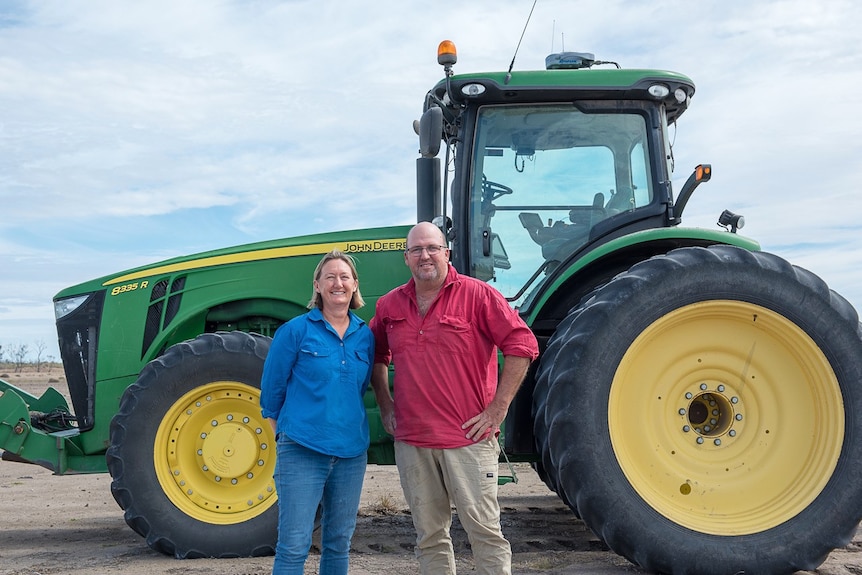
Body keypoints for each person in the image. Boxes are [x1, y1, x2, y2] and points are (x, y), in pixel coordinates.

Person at [369, 222, 540, 575]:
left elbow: (522, 346)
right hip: (413, 442)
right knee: (429, 536)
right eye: (416, 250)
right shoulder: (389, 305)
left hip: (468, 440)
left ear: (446, 253)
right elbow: (375, 355)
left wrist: (498, 409)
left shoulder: (479, 296)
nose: (424, 255)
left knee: (485, 533)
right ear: (406, 259)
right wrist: (386, 404)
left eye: (432, 247)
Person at [260, 250, 374, 575]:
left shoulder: (365, 336)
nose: (338, 283)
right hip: (302, 452)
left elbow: (359, 387)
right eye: (330, 277)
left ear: (354, 285)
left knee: (338, 543)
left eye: (344, 277)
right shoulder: (295, 331)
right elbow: (272, 393)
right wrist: (284, 438)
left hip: (351, 455)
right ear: (318, 285)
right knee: (294, 544)